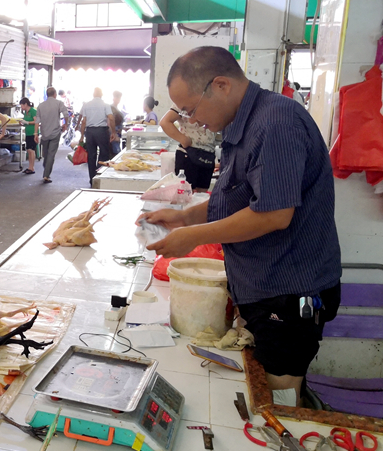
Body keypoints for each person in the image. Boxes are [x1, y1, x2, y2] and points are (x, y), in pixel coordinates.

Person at [141, 46, 341, 404]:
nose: (188, 121)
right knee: (258, 386)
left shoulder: (276, 122)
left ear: (221, 85)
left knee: (279, 402)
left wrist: (192, 237)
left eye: (189, 109)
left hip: (288, 290)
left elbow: (273, 214)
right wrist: (184, 217)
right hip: (260, 285)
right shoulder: (244, 124)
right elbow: (236, 201)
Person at [160, 108, 217, 191]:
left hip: (208, 153)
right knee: (185, 193)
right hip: (188, 152)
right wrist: (183, 139)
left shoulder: (210, 101)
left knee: (202, 194)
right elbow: (165, 122)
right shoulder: (184, 101)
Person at [78, 88, 116, 187]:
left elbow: (84, 121)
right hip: (101, 131)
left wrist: (82, 136)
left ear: (93, 94)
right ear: (101, 94)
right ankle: (100, 177)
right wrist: (114, 132)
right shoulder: (105, 105)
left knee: (91, 156)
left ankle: (92, 179)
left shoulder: (87, 105)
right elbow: (111, 118)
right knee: (104, 154)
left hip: (90, 132)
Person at [35, 87, 70, 184]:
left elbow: (37, 120)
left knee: (46, 154)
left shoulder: (41, 106)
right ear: (55, 94)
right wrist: (65, 124)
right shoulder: (59, 103)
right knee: (51, 154)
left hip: (44, 133)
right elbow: (66, 114)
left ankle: (46, 169)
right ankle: (46, 174)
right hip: (55, 133)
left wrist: (35, 133)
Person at [18, 97, 38, 175]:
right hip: (28, 132)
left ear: (26, 104)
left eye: (22, 106)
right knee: (29, 150)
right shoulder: (26, 112)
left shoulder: (33, 111)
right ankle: (30, 167)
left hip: (33, 132)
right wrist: (23, 122)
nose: (21, 107)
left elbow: (36, 121)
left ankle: (32, 168)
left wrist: (27, 122)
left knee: (31, 150)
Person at [111, 91, 126, 155]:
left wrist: (123, 128)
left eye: (119, 98)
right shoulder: (111, 108)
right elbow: (110, 123)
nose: (118, 100)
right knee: (116, 153)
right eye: (117, 97)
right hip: (114, 135)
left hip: (117, 133)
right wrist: (114, 134)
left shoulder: (116, 108)